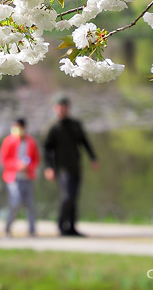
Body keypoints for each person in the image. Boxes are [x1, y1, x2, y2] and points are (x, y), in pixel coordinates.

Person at [43, 95, 98, 237]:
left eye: (64, 106)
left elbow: (84, 141)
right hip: (62, 168)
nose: (62, 109)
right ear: (55, 108)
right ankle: (61, 225)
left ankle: (72, 227)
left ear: (68, 108)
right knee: (67, 196)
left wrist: (93, 158)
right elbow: (47, 149)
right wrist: (49, 167)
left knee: (74, 197)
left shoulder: (75, 124)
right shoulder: (53, 127)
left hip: (75, 165)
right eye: (59, 106)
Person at [0, 118, 40, 237]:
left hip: (27, 177)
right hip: (13, 177)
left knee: (30, 204)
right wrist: (17, 166)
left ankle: (32, 231)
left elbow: (36, 159)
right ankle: (8, 227)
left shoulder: (31, 142)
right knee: (15, 202)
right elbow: (4, 160)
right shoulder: (8, 141)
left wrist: (28, 166)